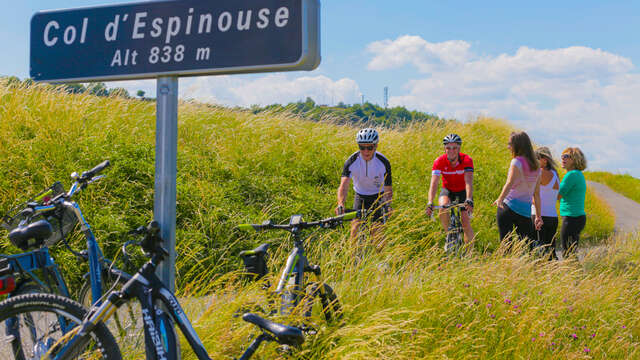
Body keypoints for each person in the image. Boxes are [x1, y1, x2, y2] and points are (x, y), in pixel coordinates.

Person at [336, 128, 392, 243]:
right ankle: (352, 260)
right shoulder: (352, 161)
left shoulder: (383, 162)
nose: (366, 151)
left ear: (375, 146)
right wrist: (341, 204)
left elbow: (388, 189)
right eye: (362, 147)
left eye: (369, 147)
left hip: (378, 197)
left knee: (377, 234)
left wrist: (388, 205)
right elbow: (344, 186)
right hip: (360, 197)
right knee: (354, 231)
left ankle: (382, 260)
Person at [493, 131, 543, 246]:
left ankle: (507, 264)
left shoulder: (516, 162)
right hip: (525, 212)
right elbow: (536, 194)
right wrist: (538, 216)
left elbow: (509, 183)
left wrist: (500, 199)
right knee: (526, 248)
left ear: (518, 145)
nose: (508, 147)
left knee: (506, 246)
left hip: (508, 208)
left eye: (510, 144)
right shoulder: (537, 166)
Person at [425, 133, 475, 244]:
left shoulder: (466, 160)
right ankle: (450, 235)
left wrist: (469, 199)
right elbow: (434, 183)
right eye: (448, 148)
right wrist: (430, 202)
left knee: (465, 222)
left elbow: (468, 181)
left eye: (454, 148)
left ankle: (470, 255)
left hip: (463, 191)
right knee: (442, 208)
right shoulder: (439, 161)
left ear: (459, 148)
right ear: (444, 148)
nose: (451, 150)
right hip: (448, 190)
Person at [558, 147, 587, 254]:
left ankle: (574, 270)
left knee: (567, 252)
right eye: (562, 156)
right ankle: (577, 270)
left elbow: (558, 195)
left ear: (575, 159)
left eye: (566, 156)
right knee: (570, 252)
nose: (563, 159)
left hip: (571, 218)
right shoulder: (578, 174)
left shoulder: (571, 175)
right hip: (577, 218)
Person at [531, 147, 560, 254]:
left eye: (536, 158)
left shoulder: (540, 173)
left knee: (537, 252)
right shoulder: (555, 174)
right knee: (550, 252)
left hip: (539, 216)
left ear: (545, 159)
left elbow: (534, 196)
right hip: (553, 217)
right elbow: (558, 196)